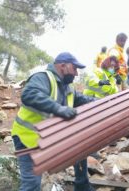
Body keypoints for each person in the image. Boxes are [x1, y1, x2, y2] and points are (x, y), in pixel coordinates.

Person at [11, 52, 96, 191]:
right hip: (28, 138)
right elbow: (29, 94)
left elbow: (82, 99)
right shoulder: (43, 78)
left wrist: (104, 102)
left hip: (49, 138)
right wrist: (58, 109)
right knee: (32, 184)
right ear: (63, 66)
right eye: (74, 69)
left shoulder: (68, 88)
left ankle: (82, 186)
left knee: (80, 146)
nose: (76, 74)